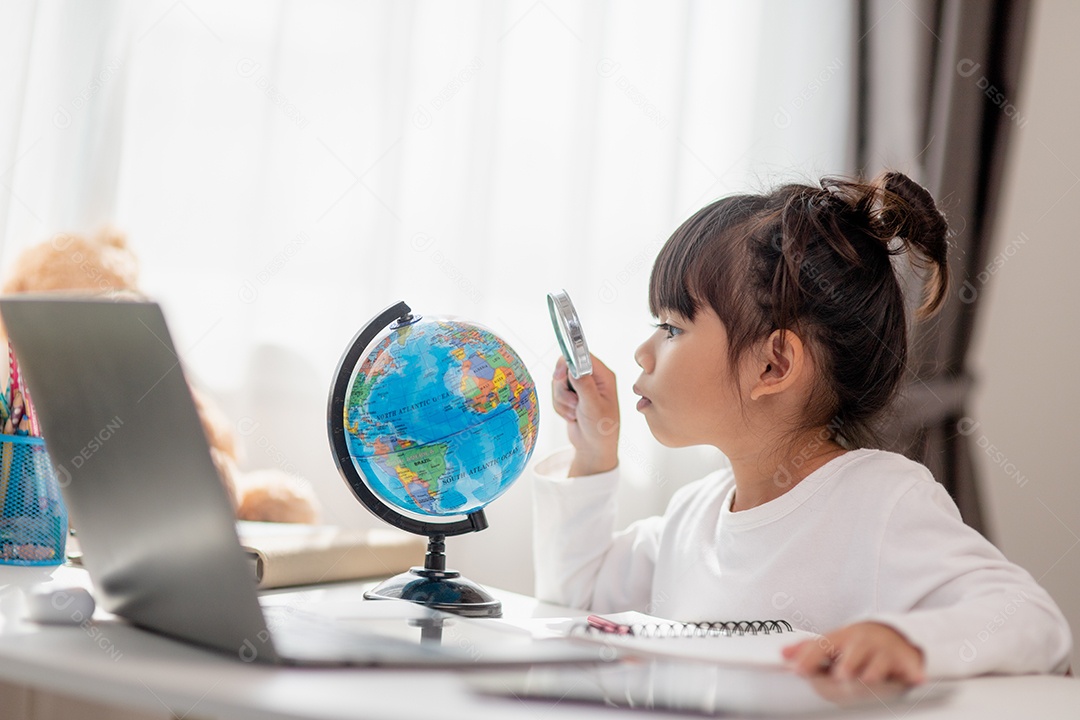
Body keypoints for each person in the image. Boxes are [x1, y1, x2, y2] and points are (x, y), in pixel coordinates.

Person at [532, 171, 1072, 683]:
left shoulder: (881, 500)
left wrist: (904, 639)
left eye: (671, 328)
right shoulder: (691, 516)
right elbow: (572, 603)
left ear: (773, 366)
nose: (643, 352)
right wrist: (594, 451)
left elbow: (1033, 622)